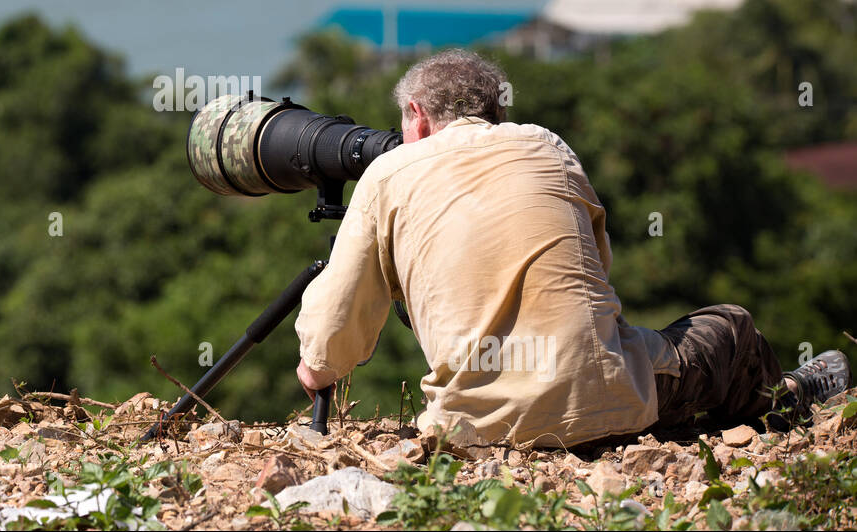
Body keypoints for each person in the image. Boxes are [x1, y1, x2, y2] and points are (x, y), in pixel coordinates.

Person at [294, 48, 849, 448]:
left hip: (471, 429)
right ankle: (788, 402)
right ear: (496, 111)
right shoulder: (546, 145)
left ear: (416, 114)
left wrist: (318, 367)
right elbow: (595, 272)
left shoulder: (388, 173)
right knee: (731, 327)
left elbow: (332, 333)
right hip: (607, 399)